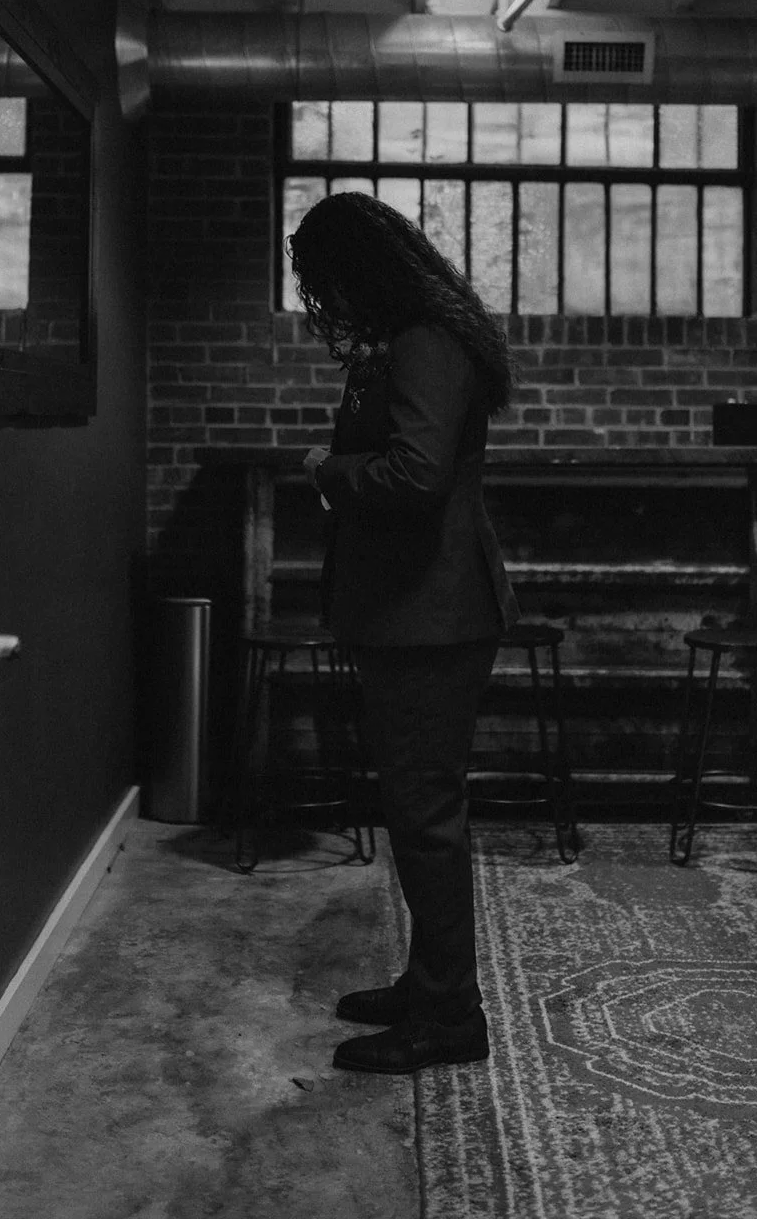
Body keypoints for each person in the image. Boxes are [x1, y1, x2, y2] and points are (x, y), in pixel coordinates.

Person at [286, 190, 520, 1077]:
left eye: (324, 280)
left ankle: (450, 1018)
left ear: (359, 270)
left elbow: (416, 474)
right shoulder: (413, 338)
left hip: (433, 614)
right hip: (411, 611)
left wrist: (328, 471)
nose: (323, 301)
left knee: (427, 822)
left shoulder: (425, 342)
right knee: (418, 814)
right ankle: (430, 987)